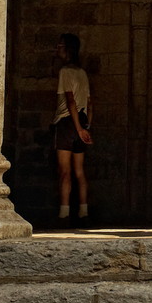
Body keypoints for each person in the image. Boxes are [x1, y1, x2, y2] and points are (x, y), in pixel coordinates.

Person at [53, 33, 93, 224]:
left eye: (60, 46)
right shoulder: (82, 73)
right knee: (79, 171)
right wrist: (87, 127)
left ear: (68, 49)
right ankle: (84, 212)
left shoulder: (65, 72)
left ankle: (64, 214)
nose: (57, 49)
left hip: (68, 122)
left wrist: (77, 129)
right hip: (83, 121)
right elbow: (90, 103)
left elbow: (70, 102)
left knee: (65, 171)